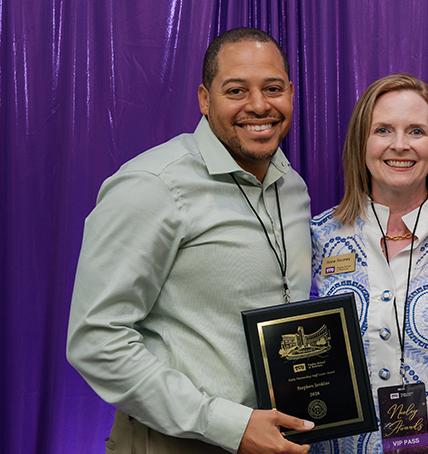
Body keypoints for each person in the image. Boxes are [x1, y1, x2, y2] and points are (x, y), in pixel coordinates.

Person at [66, 28, 315, 454]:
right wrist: (228, 425)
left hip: (274, 441)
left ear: (290, 93)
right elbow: (96, 339)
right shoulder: (153, 185)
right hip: (172, 442)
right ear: (204, 99)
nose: (259, 105)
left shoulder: (291, 186)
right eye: (236, 90)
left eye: (272, 88)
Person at [309, 73, 428, 453]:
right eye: (383, 130)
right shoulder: (317, 238)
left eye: (416, 131)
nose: (399, 145)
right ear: (361, 144)